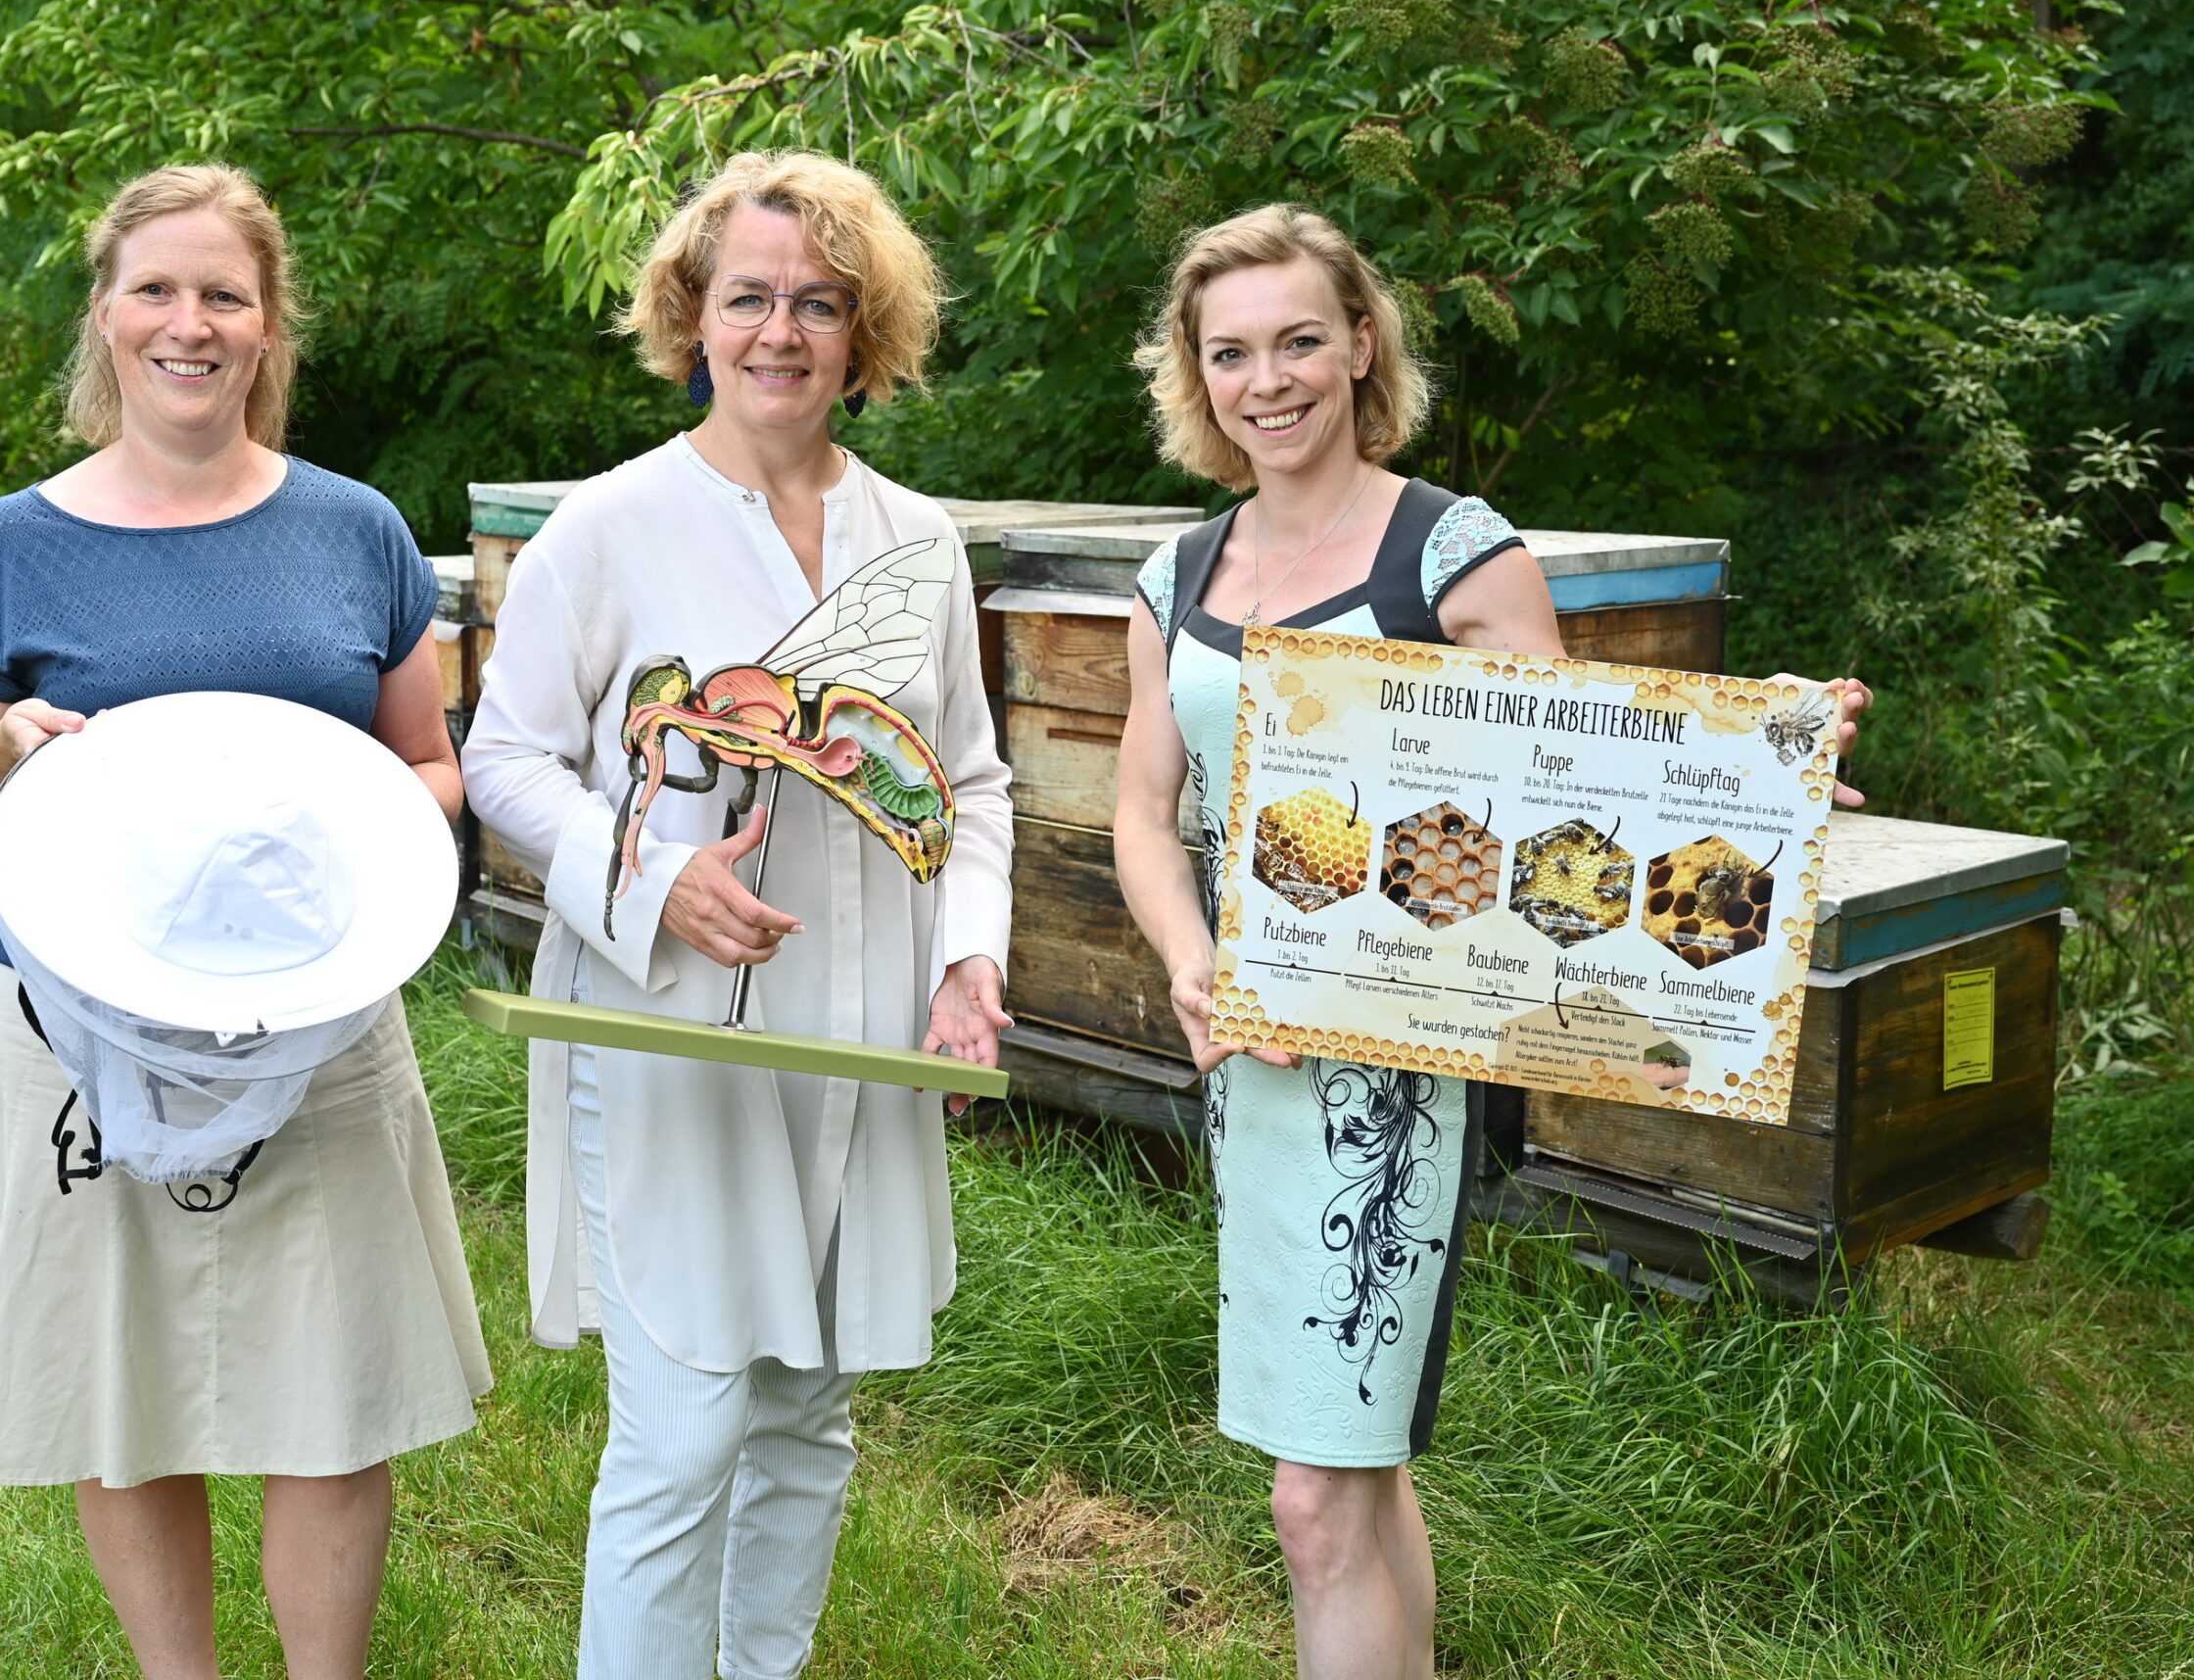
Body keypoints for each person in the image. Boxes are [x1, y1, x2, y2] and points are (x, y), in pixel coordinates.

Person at [1112, 205, 1869, 1680]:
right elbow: (1147, 813)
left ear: (1362, 344)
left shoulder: (1450, 547)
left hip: (1400, 1080)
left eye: (1300, 342)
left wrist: (1759, 764)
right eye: (1232, 353)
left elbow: (1585, 788)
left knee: (1310, 1499)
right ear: (1195, 378)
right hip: (1250, 1062)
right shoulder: (1177, 575)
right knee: (1362, 1469)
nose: (1268, 380)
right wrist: (1188, 965)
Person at [0, 164, 491, 1680]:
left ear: (269, 324)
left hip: (322, 1025)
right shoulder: (11, 543)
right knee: (121, 1386)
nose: (191, 322)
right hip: (77, 1036)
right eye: (157, 288)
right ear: (105, 313)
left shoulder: (354, 530)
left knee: (330, 1394)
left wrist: (367, 826)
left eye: (225, 293)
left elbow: (434, 766)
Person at [461, 150, 1013, 1680]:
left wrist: (971, 957)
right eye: (750, 296)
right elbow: (502, 756)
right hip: (662, 1031)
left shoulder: (919, 538)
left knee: (807, 1416)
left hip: (860, 1035)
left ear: (864, 331)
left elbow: (968, 777)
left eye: (819, 303)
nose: (782, 330)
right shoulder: (612, 525)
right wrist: (651, 879)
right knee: (689, 1424)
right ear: (692, 315)